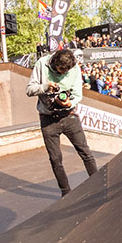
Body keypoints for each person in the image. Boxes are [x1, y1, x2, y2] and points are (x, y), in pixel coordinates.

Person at [26, 49, 98, 197]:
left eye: (66, 71)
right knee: (55, 159)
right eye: (60, 71)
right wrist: (45, 87)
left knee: (85, 152)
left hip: (68, 115)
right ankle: (65, 193)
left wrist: (69, 102)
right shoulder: (41, 64)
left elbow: (78, 95)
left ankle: (98, 186)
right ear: (54, 63)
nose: (63, 74)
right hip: (48, 119)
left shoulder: (74, 68)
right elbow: (29, 90)